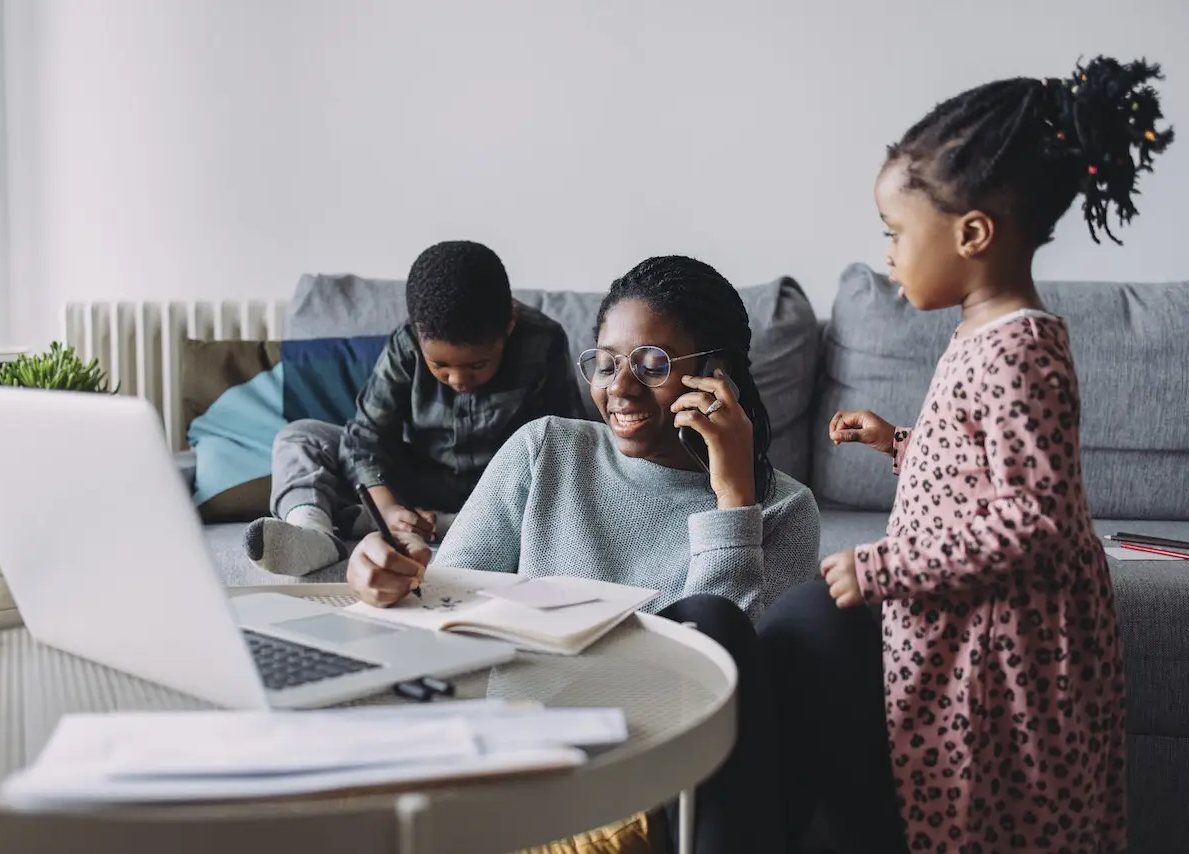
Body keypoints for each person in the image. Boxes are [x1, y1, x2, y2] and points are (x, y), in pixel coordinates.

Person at [756, 56, 1173, 853]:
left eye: (894, 234)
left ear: (972, 233)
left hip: (1006, 646)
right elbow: (982, 471)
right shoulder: (987, 334)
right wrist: (901, 443)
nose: (886, 255)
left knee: (997, 814)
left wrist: (884, 568)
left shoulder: (1020, 348)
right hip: (976, 622)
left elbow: (1034, 520)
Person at [346, 254, 822, 853]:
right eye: (605, 362)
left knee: (716, 621)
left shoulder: (783, 510)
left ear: (714, 372)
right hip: (541, 771)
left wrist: (732, 500)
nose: (618, 387)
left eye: (651, 364)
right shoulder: (545, 449)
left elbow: (729, 695)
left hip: (678, 792)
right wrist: (384, 585)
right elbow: (445, 609)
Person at [244, 240, 584, 577]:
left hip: (501, 491)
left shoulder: (544, 343)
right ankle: (314, 532)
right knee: (301, 436)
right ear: (419, 336)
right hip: (418, 477)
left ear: (509, 326)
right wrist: (388, 506)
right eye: (440, 365)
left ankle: (428, 524)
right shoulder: (405, 344)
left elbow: (562, 445)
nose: (458, 380)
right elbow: (366, 438)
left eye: (477, 365)